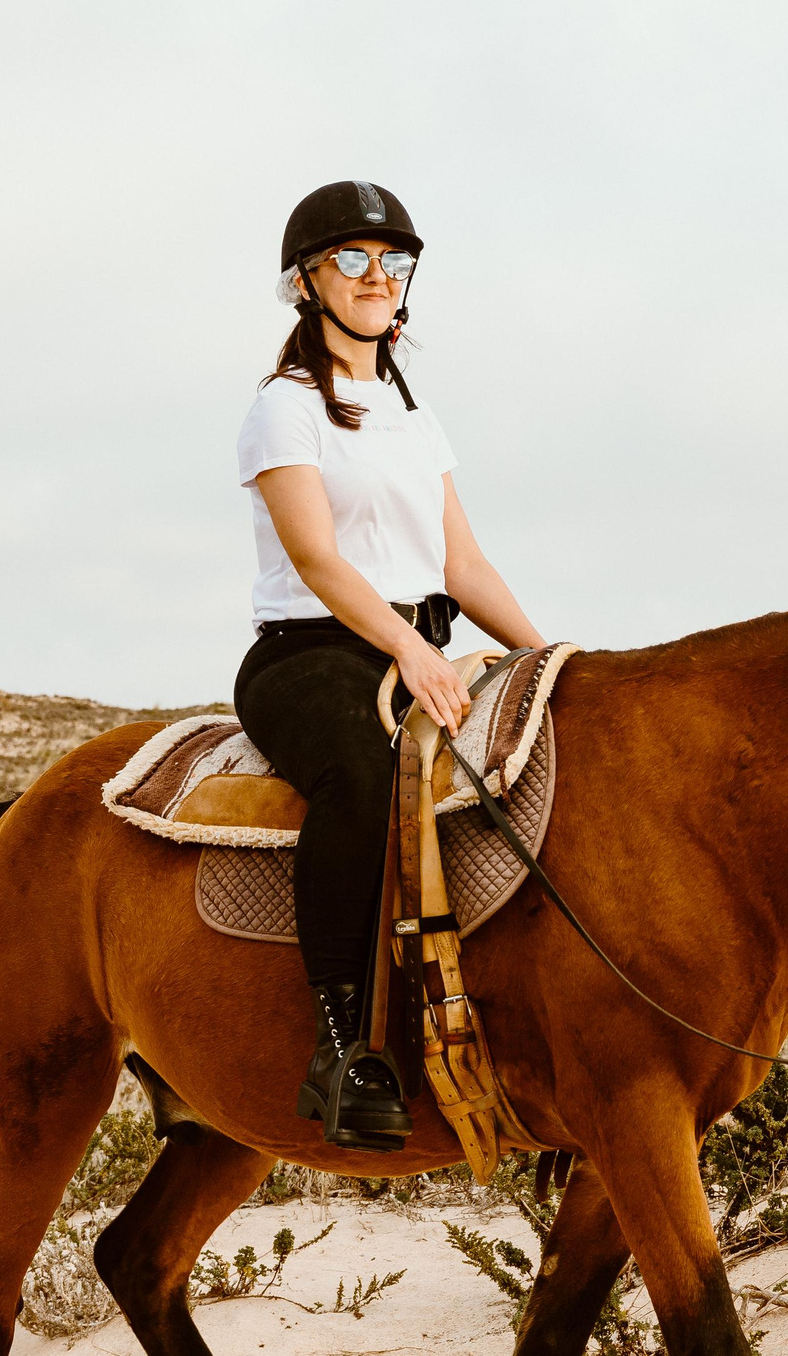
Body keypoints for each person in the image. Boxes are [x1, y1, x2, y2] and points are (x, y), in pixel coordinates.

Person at [233, 179, 546, 1152]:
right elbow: (320, 558)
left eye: (393, 261)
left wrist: (548, 656)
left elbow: (463, 563)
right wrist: (408, 645)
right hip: (310, 654)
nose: (378, 277)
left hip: (418, 646)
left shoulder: (416, 418)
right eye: (353, 259)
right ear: (305, 283)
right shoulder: (282, 409)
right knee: (363, 781)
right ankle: (341, 1045)